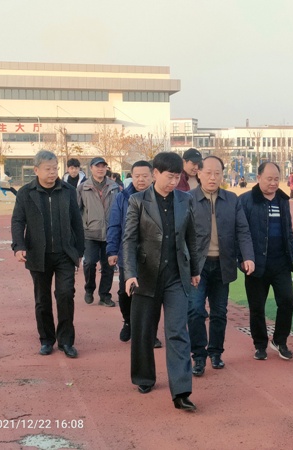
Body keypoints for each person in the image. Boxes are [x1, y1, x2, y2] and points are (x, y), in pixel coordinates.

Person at [123, 152, 200, 411]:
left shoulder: (185, 200)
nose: (174, 182)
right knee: (144, 330)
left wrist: (195, 270)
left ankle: (181, 391)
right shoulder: (137, 201)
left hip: (176, 277)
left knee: (177, 332)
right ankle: (144, 377)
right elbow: (129, 240)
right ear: (155, 173)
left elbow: (191, 237)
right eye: (169, 177)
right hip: (146, 275)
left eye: (177, 177)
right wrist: (130, 274)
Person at [11, 150, 84, 358]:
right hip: (38, 254)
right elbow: (18, 221)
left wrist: (79, 251)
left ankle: (66, 341)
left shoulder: (68, 191)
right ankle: (46, 339)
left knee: (65, 295)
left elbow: (77, 222)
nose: (52, 173)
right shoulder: (26, 193)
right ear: (36, 170)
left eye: (55, 168)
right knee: (42, 300)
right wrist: (19, 246)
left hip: (64, 254)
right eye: (48, 169)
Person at [188, 156, 255, 376]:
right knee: (195, 311)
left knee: (219, 312)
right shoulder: (188, 199)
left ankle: (216, 353)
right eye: (208, 173)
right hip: (197, 267)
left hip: (223, 264)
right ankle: (198, 356)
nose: (212, 177)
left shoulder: (232, 199)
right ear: (199, 173)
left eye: (217, 173)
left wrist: (248, 256)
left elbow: (242, 230)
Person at [240, 162, 293, 361]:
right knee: (257, 307)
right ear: (258, 178)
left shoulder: (283, 199)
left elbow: (288, 229)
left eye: (276, 179)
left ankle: (280, 340)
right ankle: (260, 344)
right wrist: (243, 259)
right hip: (256, 263)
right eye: (269, 179)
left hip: (280, 262)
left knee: (288, 300)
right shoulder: (246, 200)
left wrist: (291, 254)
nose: (273, 183)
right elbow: (240, 232)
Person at [106, 160, 162, 348]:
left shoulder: (158, 197)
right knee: (125, 293)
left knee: (151, 296)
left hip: (153, 255)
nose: (141, 180)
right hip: (127, 254)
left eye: (145, 176)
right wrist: (112, 250)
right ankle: (128, 321)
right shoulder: (122, 198)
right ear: (131, 176)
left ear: (153, 176)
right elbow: (115, 225)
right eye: (137, 176)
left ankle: (150, 334)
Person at [77, 157, 120, 307]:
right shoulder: (83, 188)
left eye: (103, 166)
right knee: (89, 263)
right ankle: (89, 289)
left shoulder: (115, 187)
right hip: (90, 232)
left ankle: (105, 295)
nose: (100, 169)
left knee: (108, 266)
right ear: (91, 168)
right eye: (97, 166)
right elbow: (77, 210)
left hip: (110, 233)